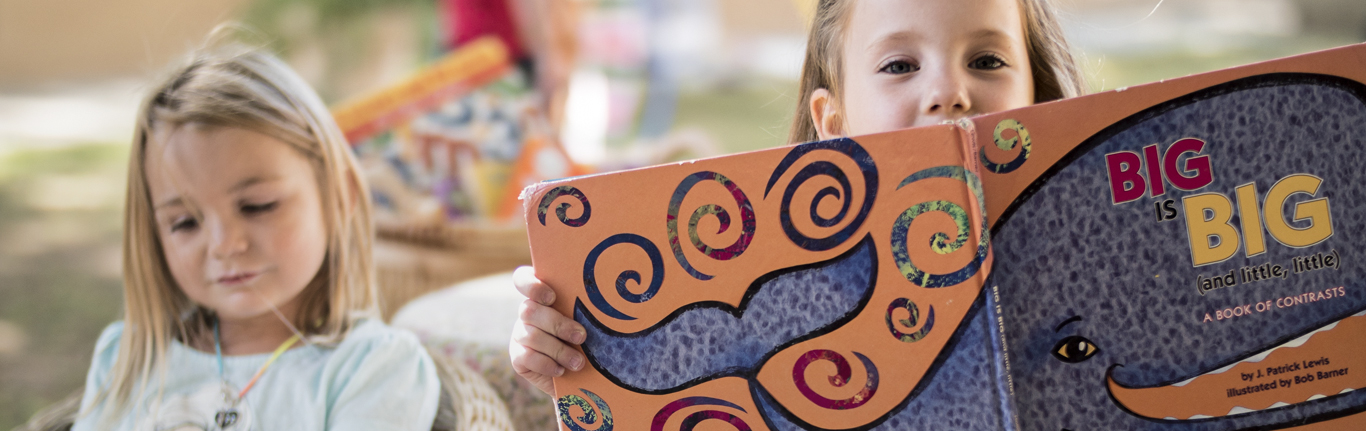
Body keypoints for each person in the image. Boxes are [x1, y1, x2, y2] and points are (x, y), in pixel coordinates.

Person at [508, 0, 1086, 396]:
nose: (947, 93)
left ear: (1038, 95)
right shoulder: (784, 299)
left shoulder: (1097, 251)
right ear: (833, 122)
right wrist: (578, 368)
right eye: (899, 65)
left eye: (987, 60)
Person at [72, 41, 440, 430]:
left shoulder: (374, 368)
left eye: (257, 206)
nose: (224, 245)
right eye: (184, 223)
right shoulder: (130, 356)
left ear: (339, 196)